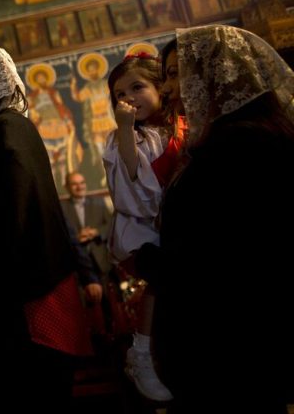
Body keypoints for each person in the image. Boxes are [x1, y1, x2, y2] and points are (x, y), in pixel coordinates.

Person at [137, 25, 294, 411]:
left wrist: (152, 262)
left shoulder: (240, 145)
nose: (169, 89)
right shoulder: (234, 139)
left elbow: (223, 256)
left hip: (232, 350)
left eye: (175, 73)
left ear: (213, 73)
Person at [0, 43, 92, 411]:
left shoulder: (5, 130)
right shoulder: (10, 128)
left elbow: (13, 224)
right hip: (23, 306)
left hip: (28, 314)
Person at [102, 51, 180, 402]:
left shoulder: (180, 125)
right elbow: (134, 184)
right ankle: (141, 353)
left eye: (137, 87)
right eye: (120, 94)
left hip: (175, 223)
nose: (128, 98)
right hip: (144, 229)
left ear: (161, 87)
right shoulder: (127, 139)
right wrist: (122, 128)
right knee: (161, 282)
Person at [60, 172, 114, 325]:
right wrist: (76, 237)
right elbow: (62, 233)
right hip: (77, 266)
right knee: (83, 311)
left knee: (108, 305)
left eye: (82, 182)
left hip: (101, 261)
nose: (79, 186)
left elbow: (110, 225)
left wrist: (96, 232)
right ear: (67, 187)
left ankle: (112, 334)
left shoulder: (99, 202)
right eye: (75, 184)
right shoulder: (61, 208)